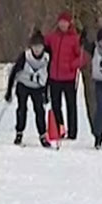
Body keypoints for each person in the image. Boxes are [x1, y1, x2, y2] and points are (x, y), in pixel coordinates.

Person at [5, 30, 51, 148]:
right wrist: (9, 91)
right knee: (22, 110)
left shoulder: (47, 58)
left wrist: (46, 94)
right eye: (35, 46)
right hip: (23, 85)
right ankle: (19, 133)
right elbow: (14, 73)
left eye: (39, 47)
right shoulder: (25, 56)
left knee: (40, 111)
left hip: (37, 87)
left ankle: (42, 135)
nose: (37, 50)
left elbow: (48, 77)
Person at [44, 11, 82, 139]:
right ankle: (59, 128)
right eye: (60, 22)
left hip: (69, 77)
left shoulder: (74, 38)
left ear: (69, 23)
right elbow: (44, 43)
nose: (62, 25)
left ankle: (72, 132)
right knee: (56, 105)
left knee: (71, 105)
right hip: (54, 76)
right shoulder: (53, 37)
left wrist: (72, 65)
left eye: (65, 22)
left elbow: (81, 57)